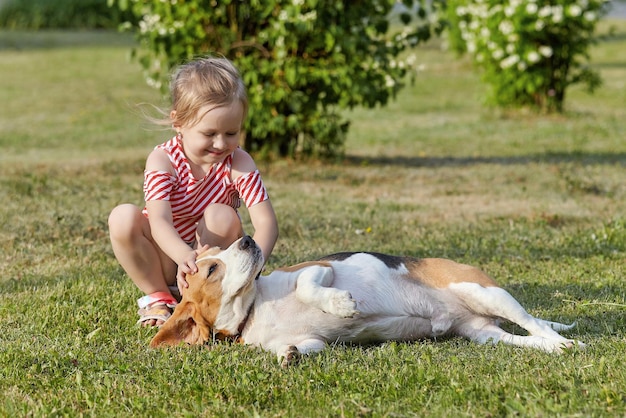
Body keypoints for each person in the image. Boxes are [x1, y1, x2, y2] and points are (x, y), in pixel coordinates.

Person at [108, 57, 278, 327]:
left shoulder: (239, 162)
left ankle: (206, 295)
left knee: (221, 214)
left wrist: (254, 269)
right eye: (209, 133)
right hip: (169, 256)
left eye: (231, 132)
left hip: (213, 261)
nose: (221, 143)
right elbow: (159, 221)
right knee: (122, 218)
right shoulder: (164, 160)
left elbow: (267, 223)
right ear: (179, 122)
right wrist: (184, 257)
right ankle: (159, 297)